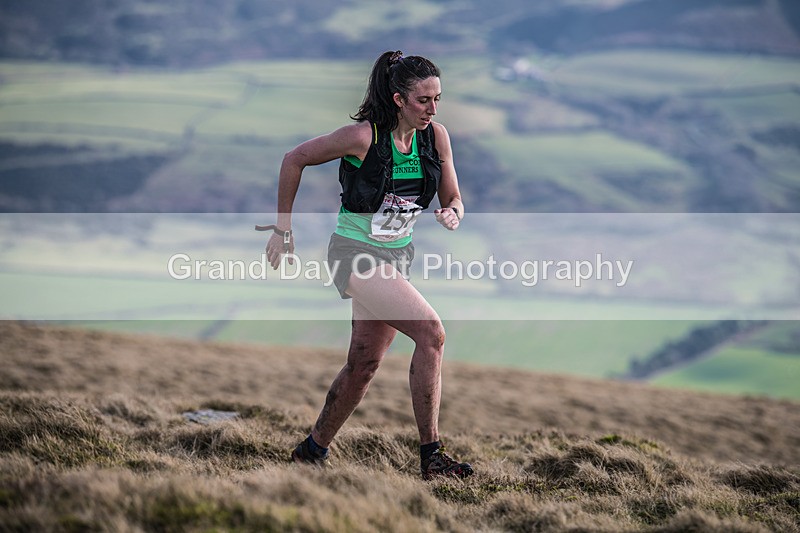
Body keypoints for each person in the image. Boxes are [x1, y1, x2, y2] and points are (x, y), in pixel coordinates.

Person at [262, 50, 473, 480]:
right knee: (432, 333)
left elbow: (454, 198)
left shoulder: (436, 138)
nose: (432, 109)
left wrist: (453, 213)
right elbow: (294, 158)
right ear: (399, 99)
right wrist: (282, 229)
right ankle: (431, 456)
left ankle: (311, 450)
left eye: (438, 99)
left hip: (397, 257)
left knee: (363, 365)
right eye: (423, 100)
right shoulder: (362, 138)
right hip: (354, 255)